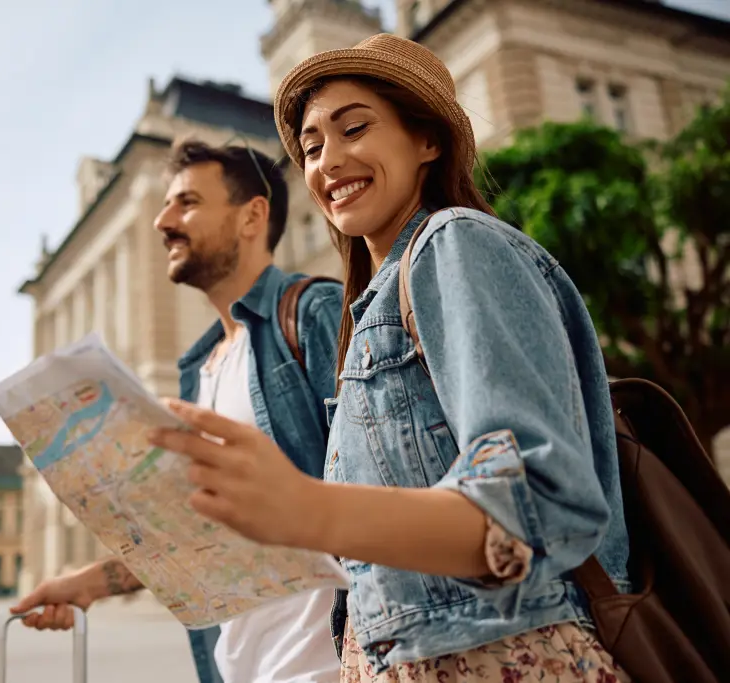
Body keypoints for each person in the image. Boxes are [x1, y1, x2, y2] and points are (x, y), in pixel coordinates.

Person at [147, 34, 633, 682]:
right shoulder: (368, 308)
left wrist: (305, 505)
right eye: (313, 146)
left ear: (427, 140)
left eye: (354, 129)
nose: (329, 161)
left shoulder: (455, 243)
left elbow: (541, 501)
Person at [11, 139, 345, 683]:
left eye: (186, 202)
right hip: (239, 669)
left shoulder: (313, 315)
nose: (162, 221)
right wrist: (91, 584)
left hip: (325, 666)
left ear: (251, 216)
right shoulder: (201, 369)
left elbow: (393, 487)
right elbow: (209, 538)